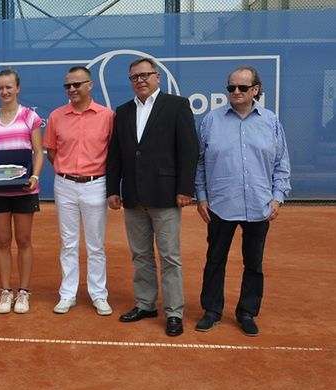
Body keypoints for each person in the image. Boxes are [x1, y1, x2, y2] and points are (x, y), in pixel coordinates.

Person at [194, 66, 291, 337]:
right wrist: (201, 196)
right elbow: (199, 163)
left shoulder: (271, 122)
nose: (235, 92)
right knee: (214, 259)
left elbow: (281, 164)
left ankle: (247, 312)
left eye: (242, 88)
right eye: (231, 88)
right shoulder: (211, 121)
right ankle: (212, 311)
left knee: (254, 263)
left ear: (255, 90)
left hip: (259, 206)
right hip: (220, 205)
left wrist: (277, 198)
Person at [106, 57, 199, 336]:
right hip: (133, 196)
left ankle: (174, 312)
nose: (141, 80)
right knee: (141, 254)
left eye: (146, 75)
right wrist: (113, 189)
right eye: (135, 77)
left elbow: (189, 150)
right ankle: (146, 303)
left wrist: (185, 189)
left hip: (166, 195)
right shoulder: (122, 112)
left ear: (157, 77)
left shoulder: (177, 105)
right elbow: (115, 155)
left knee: (170, 256)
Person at [44, 66, 114, 316]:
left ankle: (98, 294)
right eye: (68, 86)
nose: (71, 90)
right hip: (64, 185)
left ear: (90, 85)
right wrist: (67, 172)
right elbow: (52, 151)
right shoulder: (56, 116)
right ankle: (68, 294)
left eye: (76, 85)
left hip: (97, 184)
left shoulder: (107, 116)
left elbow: (113, 153)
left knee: (96, 245)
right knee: (69, 243)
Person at [0, 68, 44, 314]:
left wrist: (35, 175)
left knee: (24, 240)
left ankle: (24, 292)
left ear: (17, 88)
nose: (5, 91)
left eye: (9, 87)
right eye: (0, 87)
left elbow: (38, 152)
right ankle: (5, 292)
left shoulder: (29, 117)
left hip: (24, 190)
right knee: (3, 241)